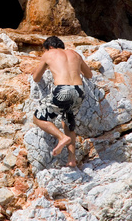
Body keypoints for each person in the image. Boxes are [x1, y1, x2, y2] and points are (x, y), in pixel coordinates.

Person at [32, 36, 92, 167]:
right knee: (68, 121)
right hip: (79, 91)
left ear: (50, 47)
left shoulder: (49, 54)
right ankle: (72, 159)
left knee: (38, 119)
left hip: (62, 90)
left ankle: (62, 137)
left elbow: (36, 78)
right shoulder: (75, 54)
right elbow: (89, 75)